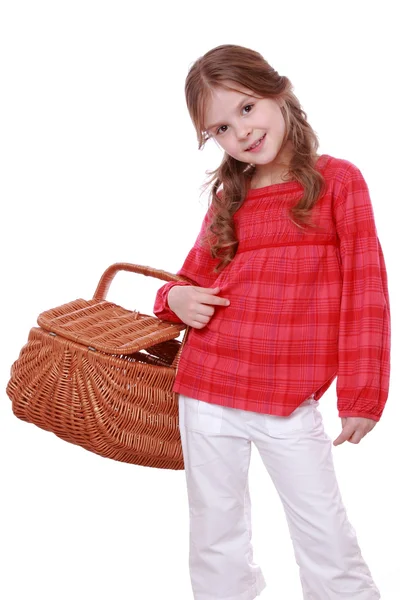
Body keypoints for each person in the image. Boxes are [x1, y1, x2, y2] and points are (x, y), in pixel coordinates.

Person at [153, 44, 390, 600]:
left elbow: (366, 290)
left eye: (246, 107)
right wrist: (173, 300)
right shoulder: (229, 197)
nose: (240, 131)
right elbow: (187, 279)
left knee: (325, 537)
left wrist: (362, 394)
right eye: (219, 128)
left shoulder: (338, 182)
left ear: (279, 93)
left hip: (287, 399)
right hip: (208, 389)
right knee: (215, 536)